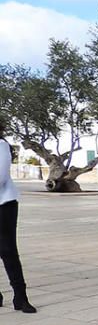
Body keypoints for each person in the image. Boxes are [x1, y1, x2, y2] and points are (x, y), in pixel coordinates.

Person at [0, 131, 35, 313]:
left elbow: (1, 177)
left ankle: (20, 296)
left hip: (4, 204)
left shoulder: (1, 145)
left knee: (8, 250)